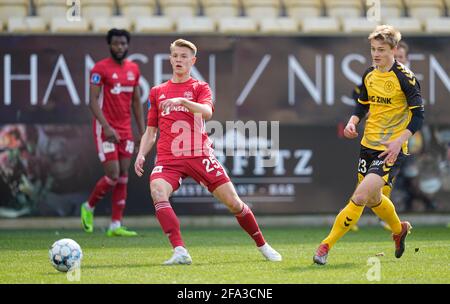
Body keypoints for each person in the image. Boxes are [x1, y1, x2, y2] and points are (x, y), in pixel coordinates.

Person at [134, 38, 282, 265]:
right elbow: (151, 131)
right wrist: (142, 153)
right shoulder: (157, 92)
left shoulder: (199, 87)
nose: (179, 60)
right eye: (175, 56)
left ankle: (263, 245)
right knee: (157, 190)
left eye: (184, 56)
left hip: (199, 154)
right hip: (168, 158)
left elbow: (207, 112)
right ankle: (180, 250)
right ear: (170, 59)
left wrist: (183, 101)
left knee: (234, 203)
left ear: (193, 61)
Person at [313, 25, 424, 265]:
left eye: (381, 50)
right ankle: (399, 228)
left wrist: (398, 141)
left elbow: (418, 116)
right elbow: (362, 103)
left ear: (394, 50)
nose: (376, 54)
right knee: (374, 200)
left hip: (390, 149)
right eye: (373, 49)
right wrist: (353, 122)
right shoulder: (369, 74)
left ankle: (325, 246)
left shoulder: (405, 78)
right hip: (368, 145)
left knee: (361, 195)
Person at [81, 28, 145, 237]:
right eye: (116, 43)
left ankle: (115, 225)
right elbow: (92, 101)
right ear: (110, 45)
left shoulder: (133, 69)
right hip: (105, 128)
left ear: (128, 45)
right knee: (113, 174)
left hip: (125, 129)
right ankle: (88, 207)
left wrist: (142, 131)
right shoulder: (99, 69)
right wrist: (106, 126)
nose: (120, 47)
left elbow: (136, 101)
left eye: (123, 44)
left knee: (124, 174)